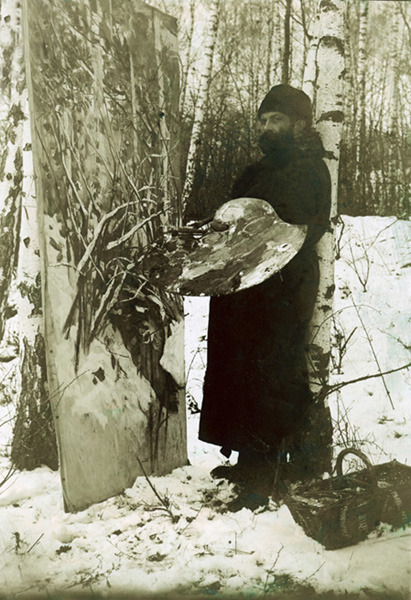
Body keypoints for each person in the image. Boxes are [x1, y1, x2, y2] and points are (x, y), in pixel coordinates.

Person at [198, 84, 333, 511]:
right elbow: (229, 217)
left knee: (270, 369)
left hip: (283, 285)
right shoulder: (253, 172)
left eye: (277, 120)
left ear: (299, 123)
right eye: (263, 120)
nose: (268, 127)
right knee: (234, 364)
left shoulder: (313, 169)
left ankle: (266, 472)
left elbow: (304, 226)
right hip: (241, 282)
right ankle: (244, 458)